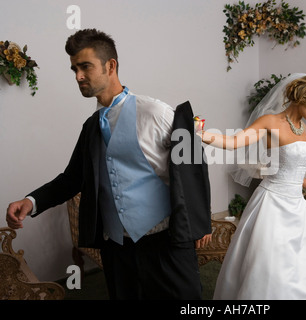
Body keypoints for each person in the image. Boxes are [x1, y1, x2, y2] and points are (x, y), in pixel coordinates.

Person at [5, 28, 212, 300]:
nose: (78, 76)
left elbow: (194, 164)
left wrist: (201, 220)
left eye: (85, 66)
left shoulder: (156, 112)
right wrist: (32, 201)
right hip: (116, 249)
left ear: (110, 65)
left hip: (165, 244)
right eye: (74, 69)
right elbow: (71, 178)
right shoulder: (91, 127)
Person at [199, 73, 306, 299]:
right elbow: (234, 143)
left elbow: (287, 168)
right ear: (303, 98)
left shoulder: (302, 127)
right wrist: (201, 134)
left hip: (298, 207)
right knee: (271, 270)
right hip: (271, 204)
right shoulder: (269, 122)